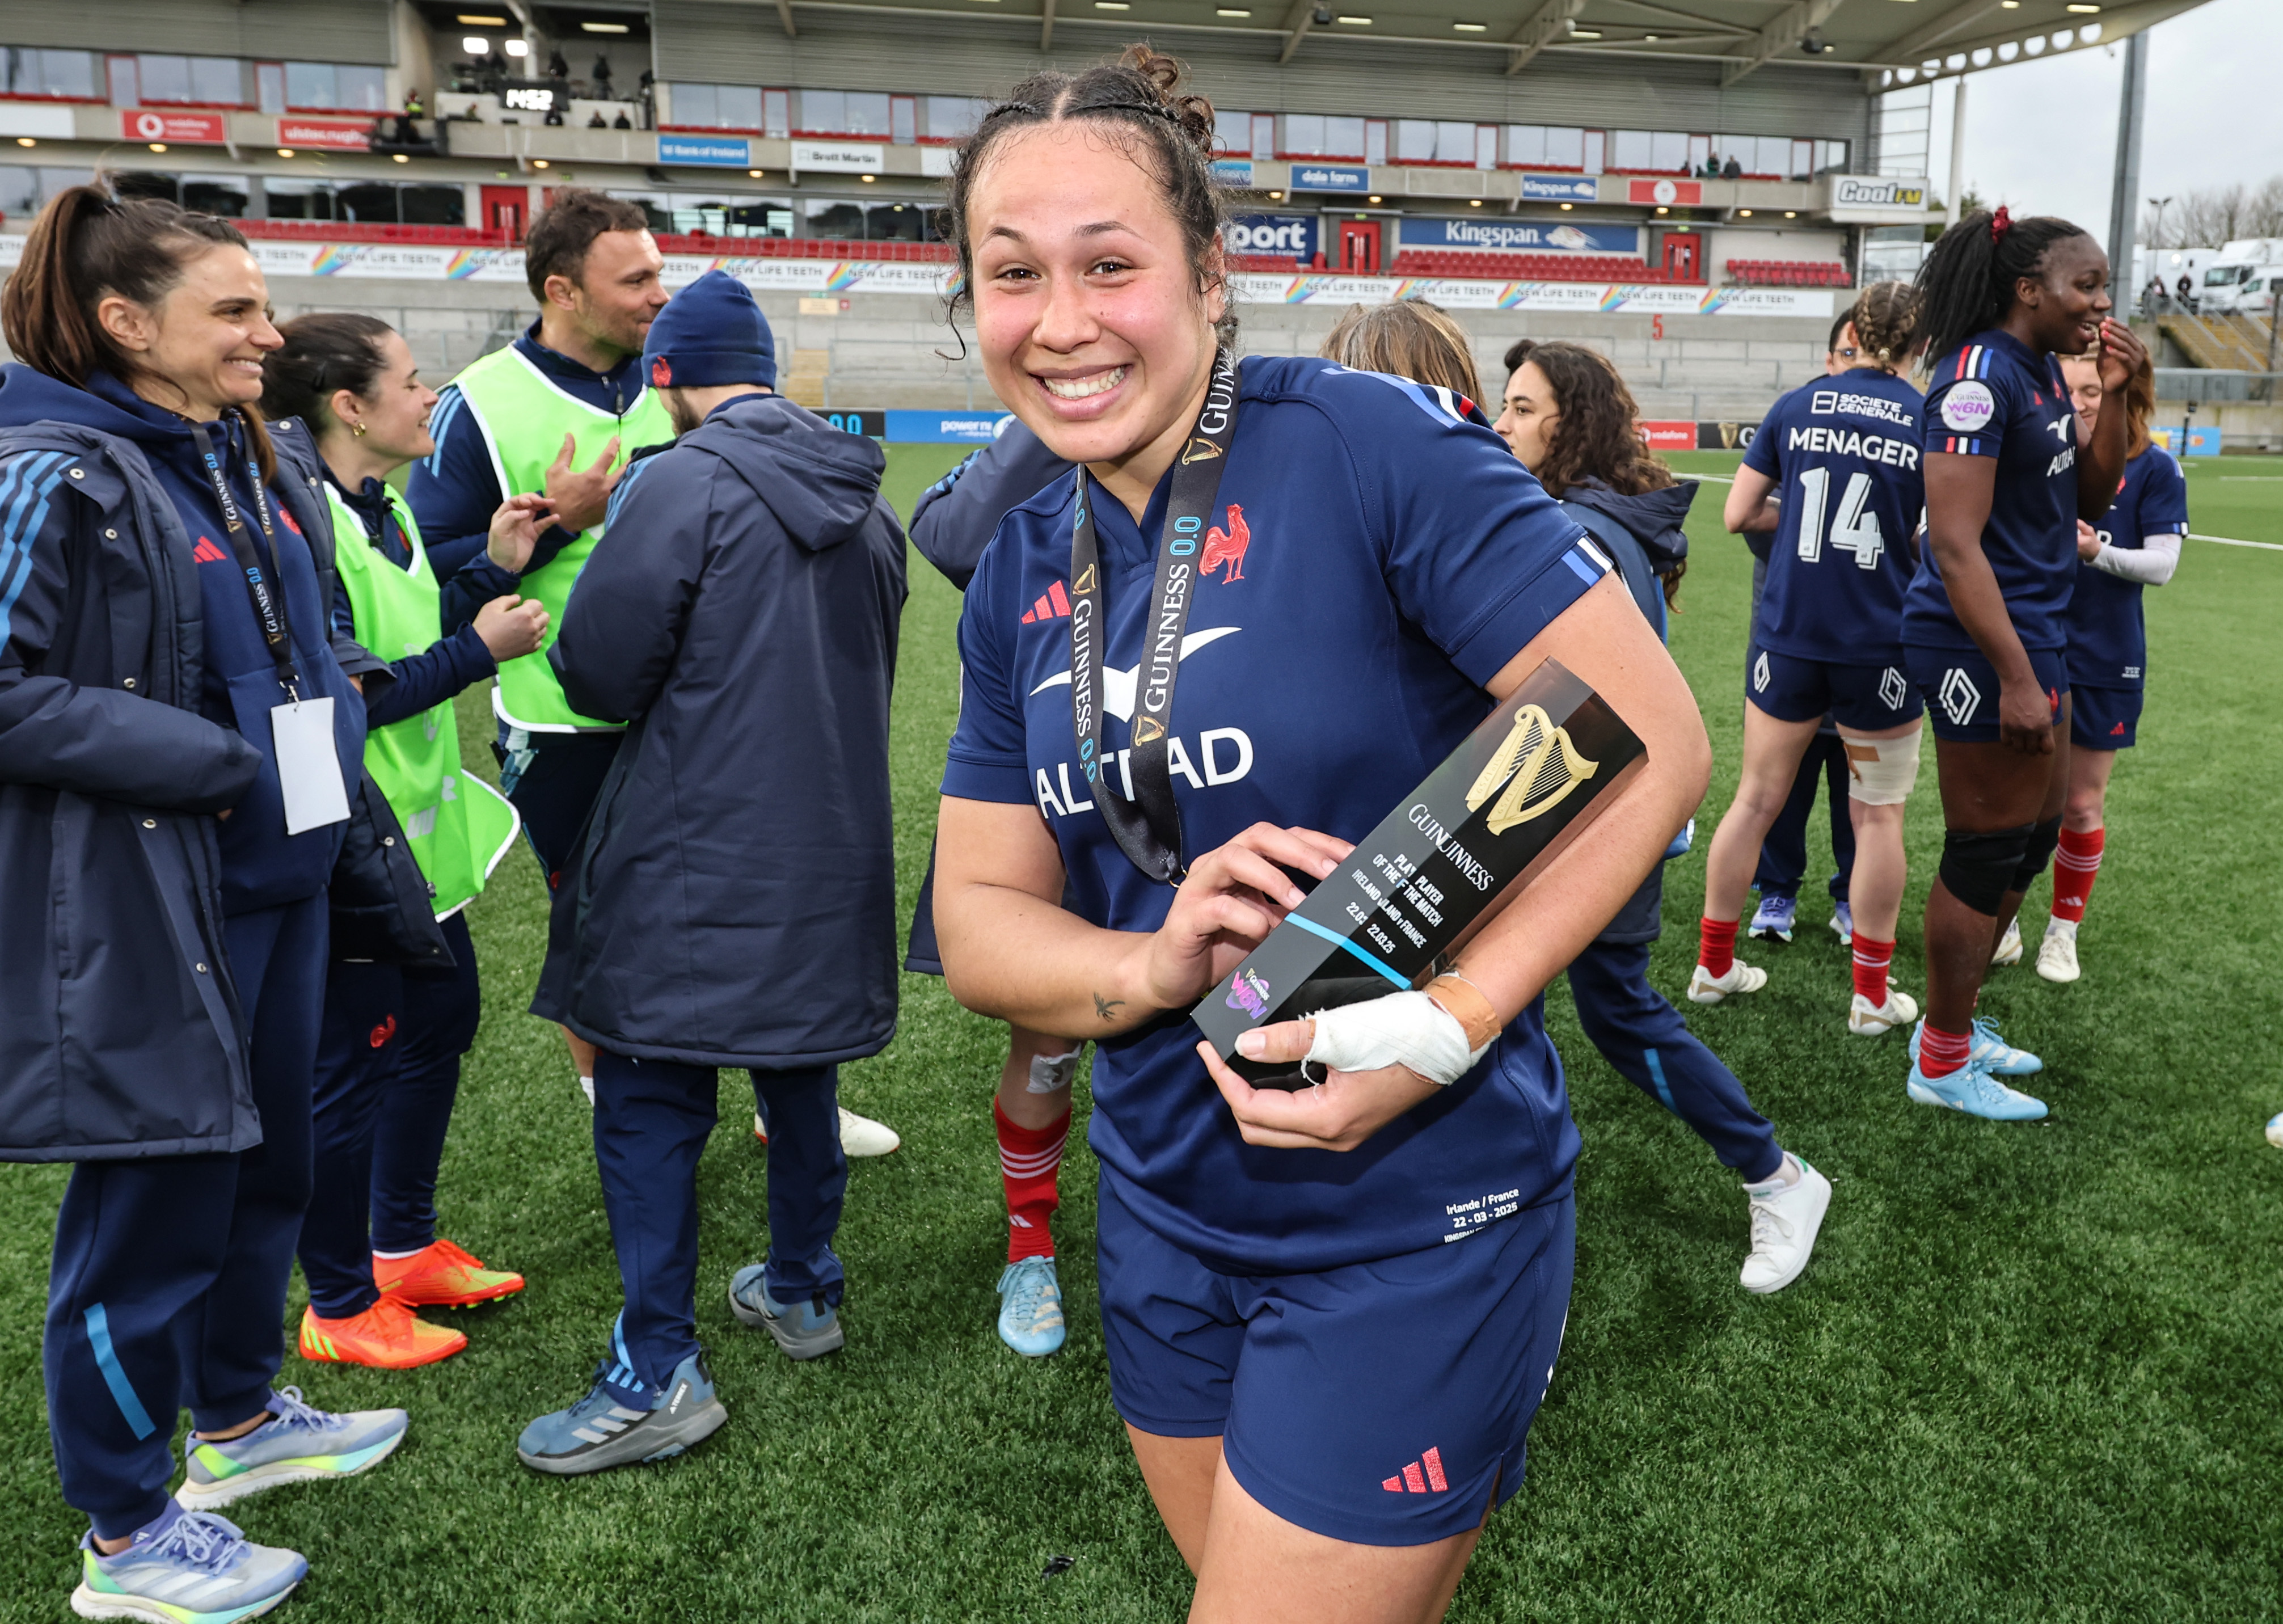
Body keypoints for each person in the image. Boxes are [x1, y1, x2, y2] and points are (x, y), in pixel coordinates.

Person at [932, 48, 1708, 1617]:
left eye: (1110, 265)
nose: (1061, 320)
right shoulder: (1025, 555)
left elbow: (1651, 736)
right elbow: (978, 924)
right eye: (1012, 273)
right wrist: (1155, 960)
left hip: (1416, 1221)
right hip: (1160, 1203)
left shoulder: (1365, 445)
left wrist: (1446, 1021)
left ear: (1211, 280)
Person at [0, 186, 407, 1621]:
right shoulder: (49, 463)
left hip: (284, 879)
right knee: (152, 1213)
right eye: (232, 310)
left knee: (267, 1175)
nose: (268, 331)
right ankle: (124, 1536)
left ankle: (237, 1423)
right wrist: (211, 760)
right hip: (155, 898)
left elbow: (308, 626)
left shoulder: (238, 449)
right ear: (126, 324)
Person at [517, 271, 907, 1475]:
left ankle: (656, 1368)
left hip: (692, 849)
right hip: (827, 843)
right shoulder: (867, 500)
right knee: (795, 1070)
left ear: (669, 378)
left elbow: (595, 672)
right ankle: (800, 1288)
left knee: (644, 1099)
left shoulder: (675, 481)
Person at [1488, 335, 1830, 1292]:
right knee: (1543, 1011)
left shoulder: (1582, 534)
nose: (1498, 420)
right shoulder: (1584, 519)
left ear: (1572, 422)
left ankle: (1778, 1175)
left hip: (1603, 817)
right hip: (1588, 811)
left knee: (1619, 1013)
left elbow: (1586, 709)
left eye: (1520, 407)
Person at [260, 314, 552, 1369]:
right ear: (349, 405)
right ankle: (338, 1305)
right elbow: (356, 694)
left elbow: (415, 630)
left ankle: (401, 1245)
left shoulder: (382, 505)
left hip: (412, 842)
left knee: (441, 1018)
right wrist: (482, 649)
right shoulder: (298, 527)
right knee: (348, 1068)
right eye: (414, 381)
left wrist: (500, 566)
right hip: (344, 846)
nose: (431, 397)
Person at [1898, 206, 2146, 1119]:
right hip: (1978, 641)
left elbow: (2094, 490)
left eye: (2103, 285)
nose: (2100, 301)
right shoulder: (1972, 376)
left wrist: (2112, 391)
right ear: (2026, 288)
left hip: (2039, 632)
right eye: (2085, 284)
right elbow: (1955, 548)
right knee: (1984, 846)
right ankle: (1940, 1059)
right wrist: (2010, 676)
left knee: (2036, 835)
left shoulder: (2041, 370)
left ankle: (1955, 1023)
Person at [1699, 281, 1929, 1035]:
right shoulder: (1924, 419)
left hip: (1789, 637)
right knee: (1877, 818)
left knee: (1755, 799)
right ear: (1919, 344)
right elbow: (1943, 539)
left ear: (1854, 334)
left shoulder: (1797, 406)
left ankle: (1713, 964)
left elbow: (1738, 515)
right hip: (1880, 647)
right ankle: (1869, 996)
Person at [908, 423, 1093, 1359]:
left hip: (1216, 791)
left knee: (1238, 1018)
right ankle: (1030, 1241)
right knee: (1050, 1035)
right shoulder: (1041, 499)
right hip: (1059, 787)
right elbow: (947, 531)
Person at [2028, 348, 2185, 983]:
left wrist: (2099, 552)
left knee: (2080, 804)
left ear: (2124, 390)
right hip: (2032, 646)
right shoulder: (2042, 455)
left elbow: (2162, 565)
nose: (2080, 400)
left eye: (2091, 389)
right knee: (2022, 800)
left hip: (2106, 658)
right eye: (2068, 388)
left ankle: (2061, 933)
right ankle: (2004, 918)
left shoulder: (2153, 467)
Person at [1733, 311, 1860, 947]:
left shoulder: (1890, 425)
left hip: (1864, 643)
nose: (1855, 360)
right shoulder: (1797, 419)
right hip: (1784, 636)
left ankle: (1851, 897)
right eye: (1845, 349)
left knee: (1855, 785)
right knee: (1777, 782)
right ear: (1829, 355)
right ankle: (1776, 890)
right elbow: (1748, 521)